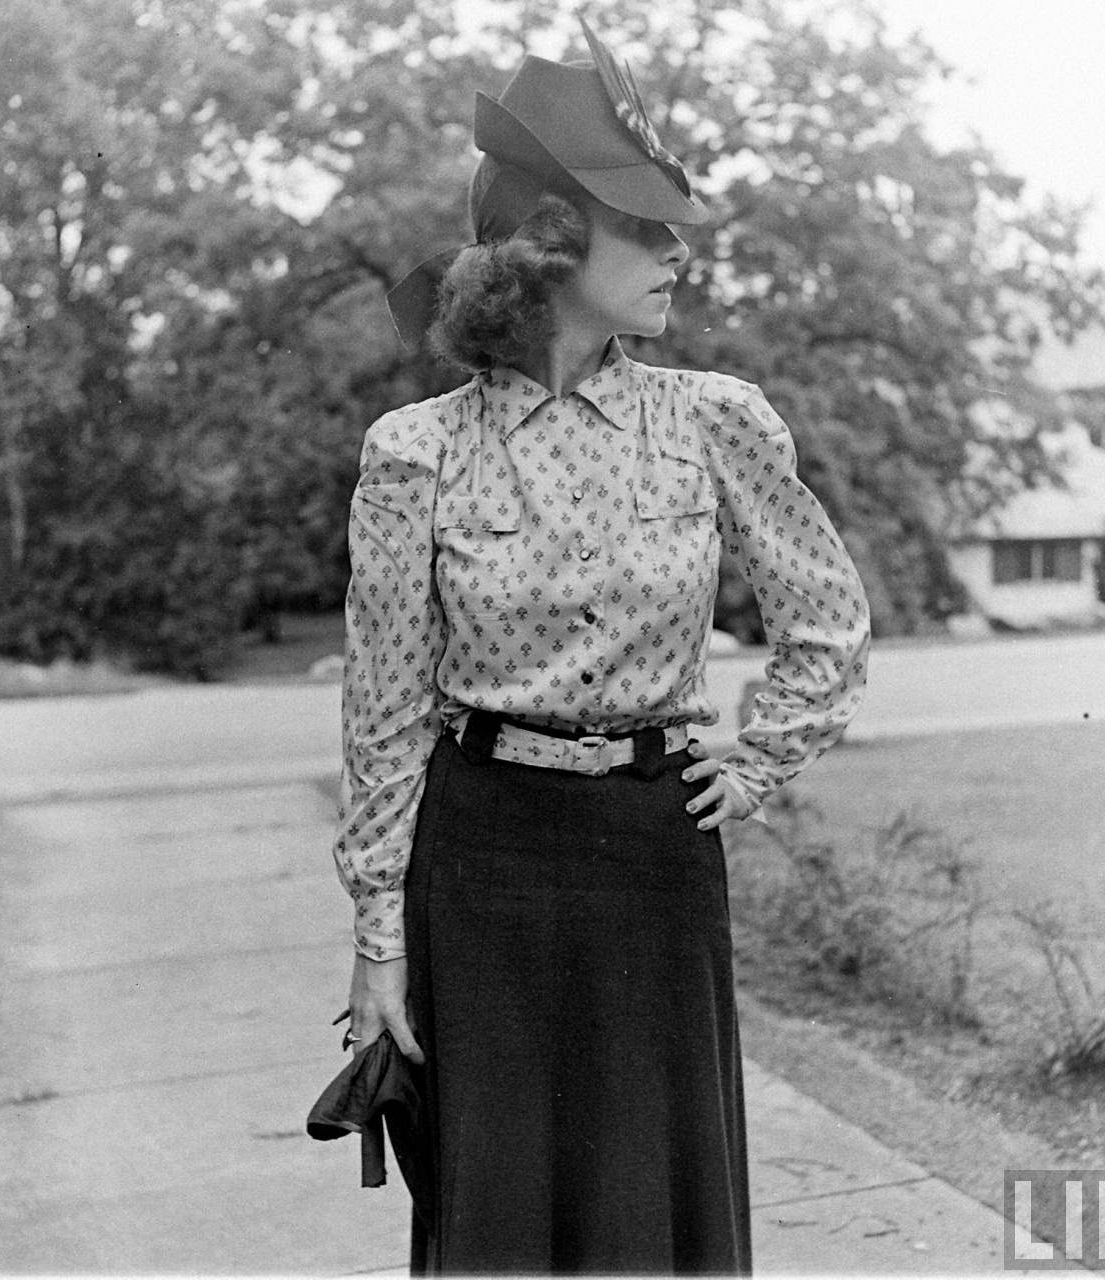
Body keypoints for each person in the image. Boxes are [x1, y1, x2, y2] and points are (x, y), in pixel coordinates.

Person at [332, 20, 871, 1275]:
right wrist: (375, 938)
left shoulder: (715, 420)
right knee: (496, 1213)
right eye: (645, 224)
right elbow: (386, 713)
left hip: (650, 849)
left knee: (654, 1208)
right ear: (551, 244)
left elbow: (826, 622)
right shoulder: (416, 451)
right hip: (482, 860)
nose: (677, 250)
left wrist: (751, 763)